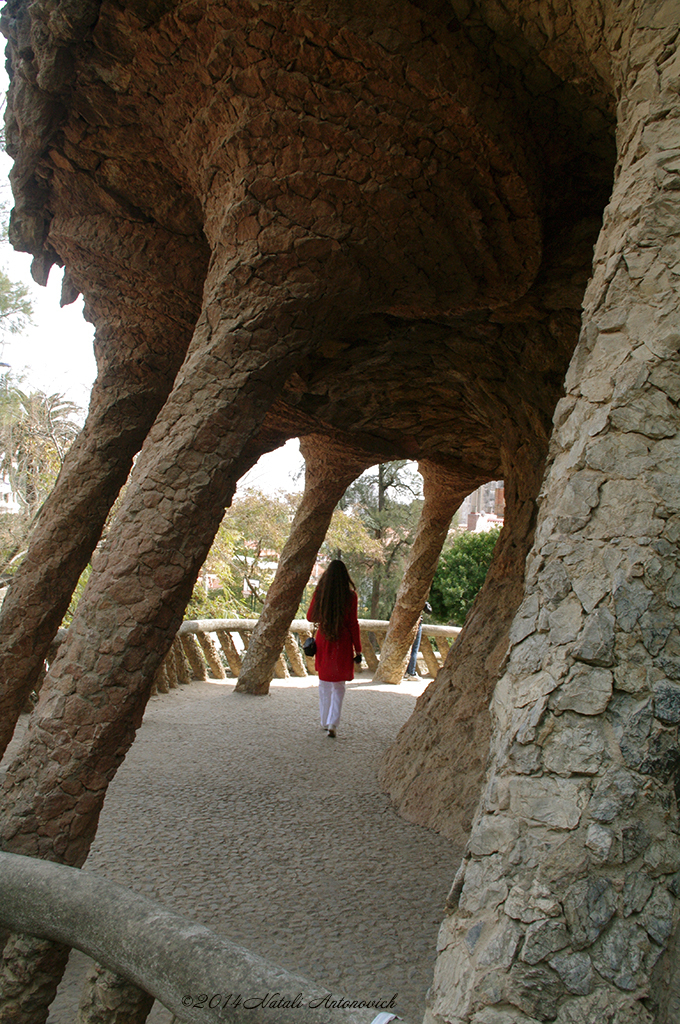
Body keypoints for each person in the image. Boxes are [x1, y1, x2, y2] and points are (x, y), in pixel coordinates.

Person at [306, 559, 362, 738]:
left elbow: (310, 617)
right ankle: (333, 722)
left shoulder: (321, 593)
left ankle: (324, 721)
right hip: (343, 643)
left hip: (324, 639)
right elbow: (353, 624)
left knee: (324, 683)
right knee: (339, 685)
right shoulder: (351, 597)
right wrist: (358, 650)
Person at [404, 600, 432, 680]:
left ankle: (405, 671)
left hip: (404, 623)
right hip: (416, 623)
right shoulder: (420, 598)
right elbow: (429, 611)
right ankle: (411, 672)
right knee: (414, 649)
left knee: (406, 648)